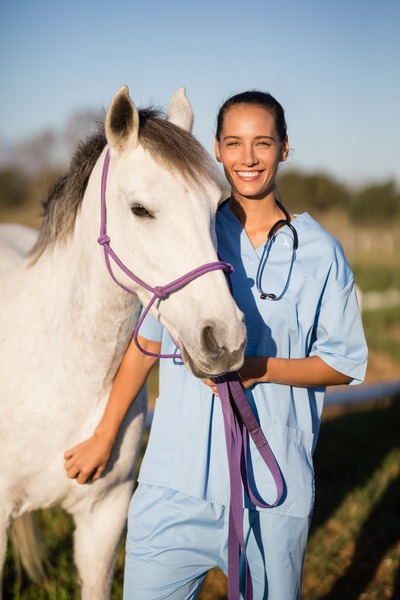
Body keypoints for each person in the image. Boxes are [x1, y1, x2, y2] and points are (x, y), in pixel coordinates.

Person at [64, 90, 368, 599]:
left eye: (262, 143)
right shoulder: (191, 232)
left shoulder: (322, 253)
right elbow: (145, 345)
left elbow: (343, 363)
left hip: (270, 492)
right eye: (233, 143)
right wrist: (105, 434)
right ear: (217, 149)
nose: (248, 157)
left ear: (284, 148)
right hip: (173, 486)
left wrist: (259, 369)